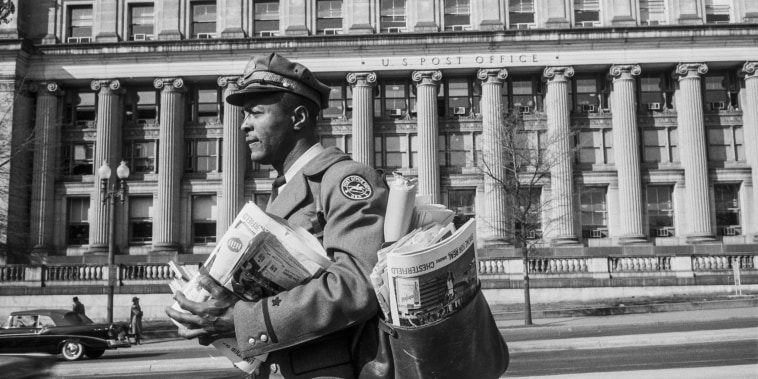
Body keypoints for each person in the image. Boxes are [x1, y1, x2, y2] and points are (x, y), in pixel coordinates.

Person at [166, 53, 389, 378]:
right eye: (244, 114)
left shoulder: (344, 179)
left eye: (256, 113)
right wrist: (212, 311)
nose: (243, 124)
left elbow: (358, 285)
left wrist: (242, 320)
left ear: (298, 117)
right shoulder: (283, 190)